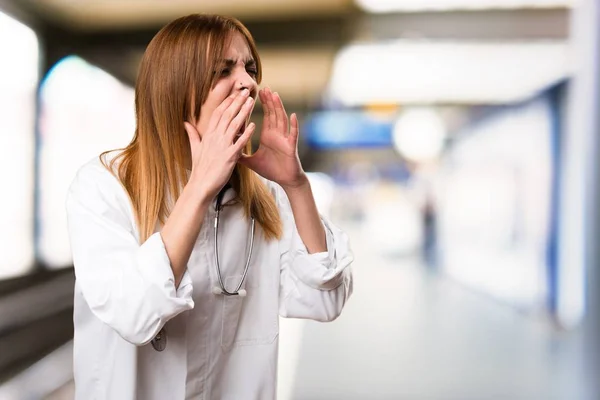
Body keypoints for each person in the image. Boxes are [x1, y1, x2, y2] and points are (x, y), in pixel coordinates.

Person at [65, 13, 354, 400]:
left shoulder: (265, 196)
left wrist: (296, 185)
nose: (248, 83)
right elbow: (133, 312)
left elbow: (325, 299)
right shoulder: (104, 186)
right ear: (176, 90)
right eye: (224, 70)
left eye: (251, 69)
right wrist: (200, 187)